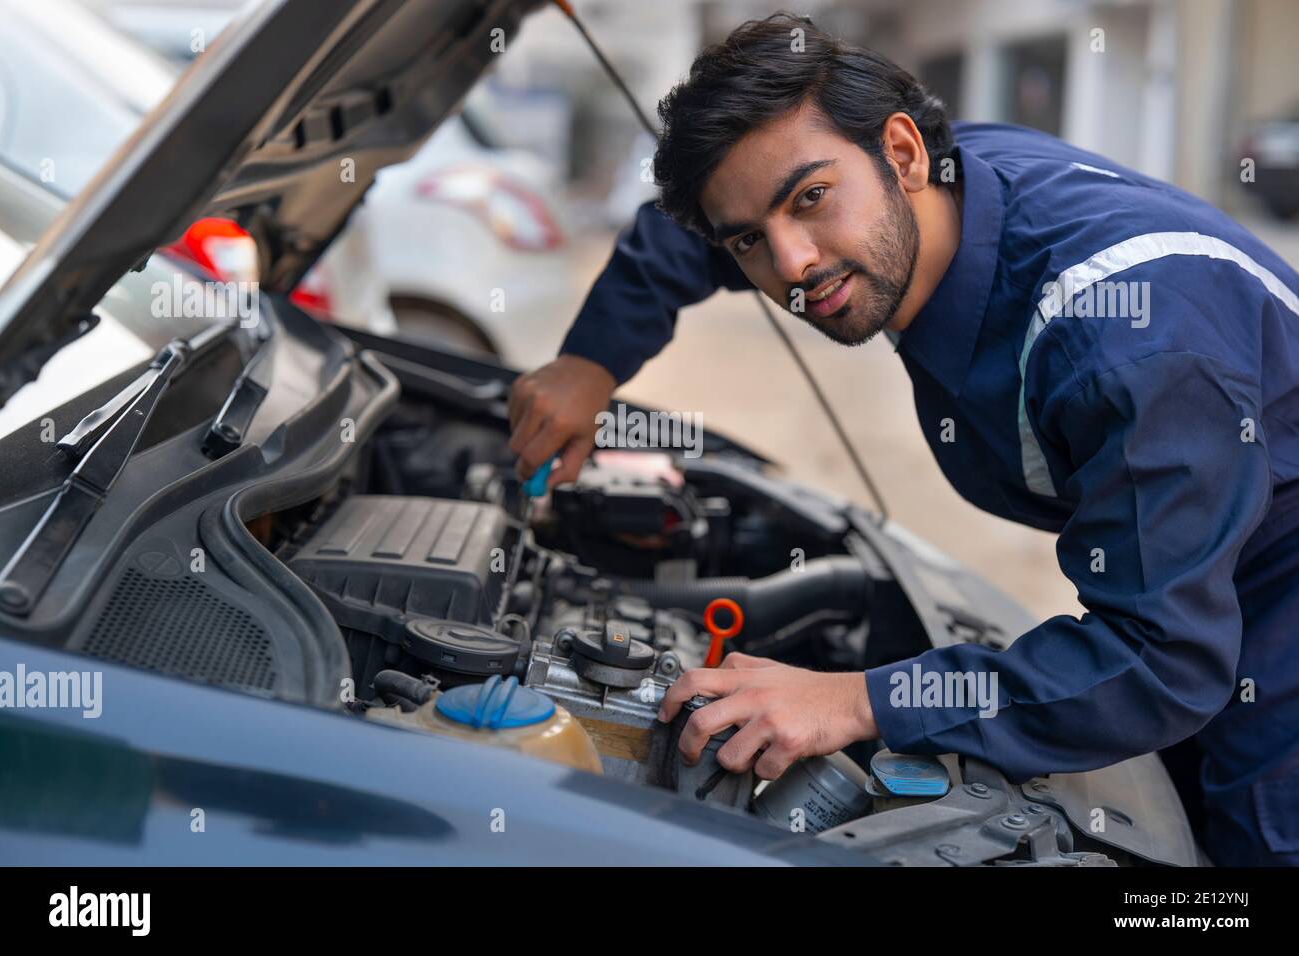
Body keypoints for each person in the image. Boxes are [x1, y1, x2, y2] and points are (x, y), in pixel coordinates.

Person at [505, 13, 1299, 865]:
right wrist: (589, 362)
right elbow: (702, 226)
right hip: (1198, 561)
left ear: (905, 153)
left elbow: (1159, 661)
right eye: (749, 242)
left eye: (810, 200)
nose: (795, 267)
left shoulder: (1132, 345)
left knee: (1247, 846)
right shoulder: (925, 181)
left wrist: (862, 700)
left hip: (1277, 596)